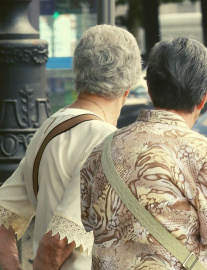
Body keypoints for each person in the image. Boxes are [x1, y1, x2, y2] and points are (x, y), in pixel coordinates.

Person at [80, 37, 207, 270]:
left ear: (149, 89)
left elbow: (86, 222)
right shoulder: (205, 156)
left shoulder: (103, 149)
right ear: (205, 96)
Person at [0, 24, 142, 270]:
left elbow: (2, 218)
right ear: (126, 89)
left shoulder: (50, 126)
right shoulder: (106, 140)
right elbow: (54, 245)